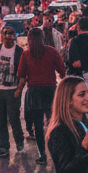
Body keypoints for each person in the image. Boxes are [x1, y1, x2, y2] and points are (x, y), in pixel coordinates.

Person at [16, 26, 66, 165]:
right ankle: (56, 154)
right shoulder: (52, 52)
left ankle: (42, 155)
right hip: (50, 90)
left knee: (38, 125)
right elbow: (62, 71)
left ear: (29, 40)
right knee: (53, 123)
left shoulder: (26, 54)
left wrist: (18, 91)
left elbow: (21, 75)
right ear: (43, 38)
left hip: (34, 92)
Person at [0, 23, 25, 158]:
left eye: (10, 34)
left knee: (14, 118)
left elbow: (24, 73)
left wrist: (19, 89)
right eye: (5, 34)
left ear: (14, 37)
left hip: (13, 91)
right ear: (1, 36)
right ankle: (3, 147)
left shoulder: (19, 52)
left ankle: (19, 140)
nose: (7, 36)